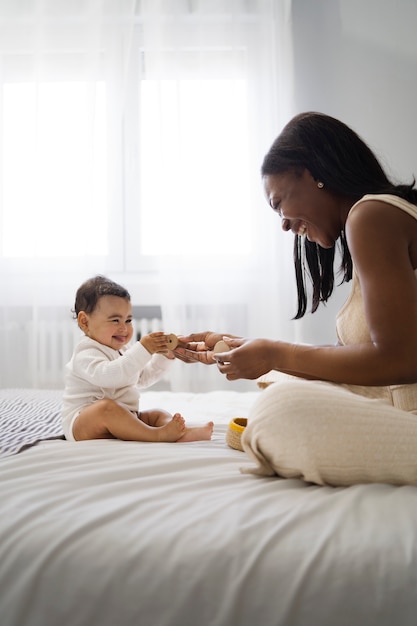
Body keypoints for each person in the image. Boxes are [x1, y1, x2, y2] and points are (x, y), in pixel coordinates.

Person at [174, 111, 417, 487]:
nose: (284, 224)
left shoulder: (370, 216)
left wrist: (275, 354)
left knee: (282, 411)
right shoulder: (376, 218)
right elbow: (362, 361)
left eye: (278, 203)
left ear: (311, 173)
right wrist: (258, 351)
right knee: (284, 396)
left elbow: (400, 360)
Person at [61, 275, 213, 443]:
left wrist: (166, 356)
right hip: (84, 422)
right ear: (85, 322)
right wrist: (143, 349)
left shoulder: (122, 350)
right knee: (106, 408)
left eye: (128, 320)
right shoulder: (86, 351)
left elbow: (142, 379)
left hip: (124, 417)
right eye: (115, 320)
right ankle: (158, 435)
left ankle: (180, 432)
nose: (124, 328)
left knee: (156, 414)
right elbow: (109, 376)